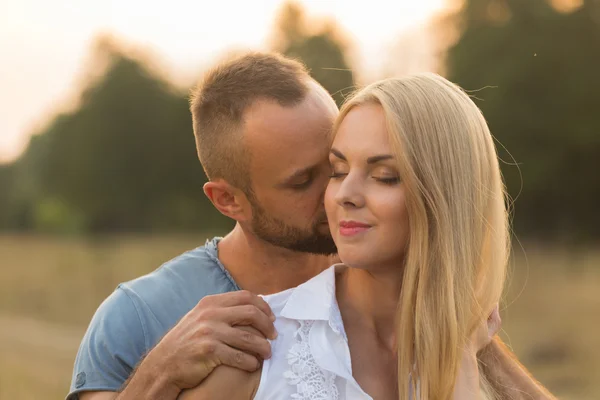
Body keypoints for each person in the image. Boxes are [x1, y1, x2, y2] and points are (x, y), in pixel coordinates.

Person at [68, 53, 554, 400]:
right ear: (229, 200)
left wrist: (468, 347)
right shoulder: (143, 317)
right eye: (310, 179)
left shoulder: (427, 306)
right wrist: (159, 374)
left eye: (336, 164)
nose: (338, 193)